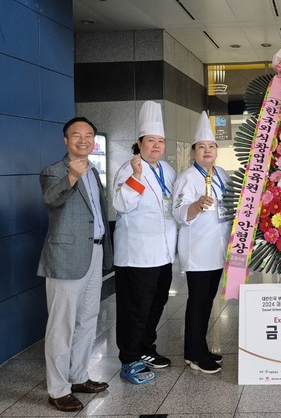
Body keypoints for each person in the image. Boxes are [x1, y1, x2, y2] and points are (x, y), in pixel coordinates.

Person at [38, 117, 112, 412]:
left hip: (94, 252)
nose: (84, 140)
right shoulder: (54, 170)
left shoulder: (93, 171)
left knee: (88, 318)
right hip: (66, 257)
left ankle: (78, 376)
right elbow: (50, 199)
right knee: (61, 325)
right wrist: (70, 176)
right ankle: (57, 389)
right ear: (65, 140)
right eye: (76, 135)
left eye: (89, 135)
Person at [111, 101, 177, 385]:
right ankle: (129, 358)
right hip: (136, 255)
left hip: (163, 254)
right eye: (151, 141)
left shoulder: (168, 170)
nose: (156, 145)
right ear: (139, 144)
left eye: (160, 141)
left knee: (156, 304)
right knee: (134, 310)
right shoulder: (128, 169)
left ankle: (146, 348)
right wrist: (137, 178)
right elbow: (120, 204)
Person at [173, 112, 231, 374]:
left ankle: (198, 348)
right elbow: (178, 212)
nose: (207, 151)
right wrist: (196, 205)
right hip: (197, 251)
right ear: (193, 152)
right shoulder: (187, 177)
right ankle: (195, 354)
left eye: (211, 147)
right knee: (198, 302)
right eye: (202, 147)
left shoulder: (221, 174)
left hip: (217, 250)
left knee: (207, 302)